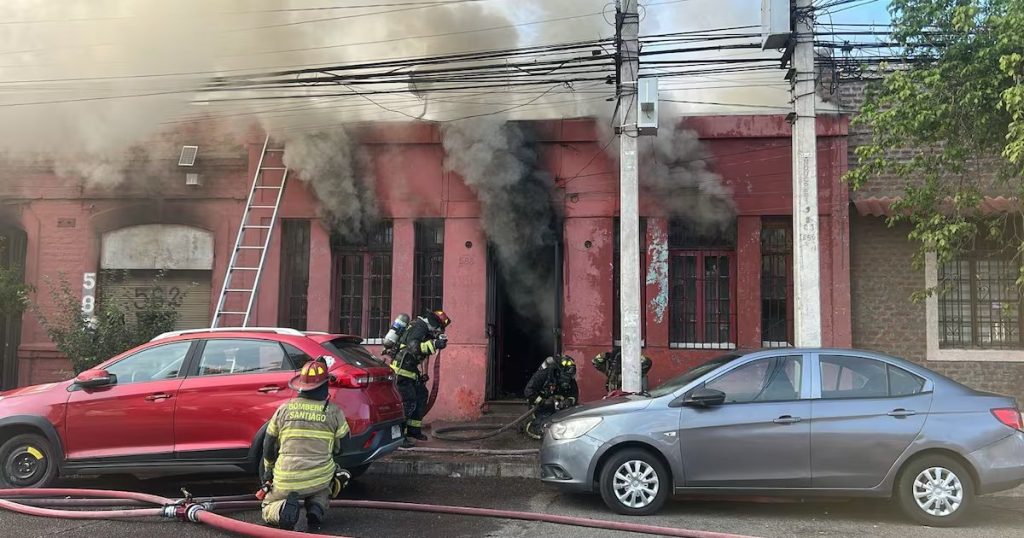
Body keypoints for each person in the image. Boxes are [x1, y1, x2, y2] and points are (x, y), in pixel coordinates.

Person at [260, 357, 352, 531]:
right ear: (325, 385)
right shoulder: (334, 412)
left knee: (267, 506)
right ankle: (317, 506)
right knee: (334, 478)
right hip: (320, 479)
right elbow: (345, 446)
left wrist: (268, 471)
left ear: (301, 385)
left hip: (285, 480)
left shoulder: (284, 409)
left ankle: (281, 510)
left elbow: (268, 444)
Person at [390, 309, 451, 445]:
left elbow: (423, 355)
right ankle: (400, 437)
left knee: (421, 395)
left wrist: (424, 374)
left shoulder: (425, 330)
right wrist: (435, 344)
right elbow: (414, 348)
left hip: (411, 370)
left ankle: (414, 430)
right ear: (434, 324)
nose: (438, 332)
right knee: (408, 402)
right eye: (438, 328)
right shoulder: (419, 327)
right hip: (401, 370)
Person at [523, 355, 580, 439]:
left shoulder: (570, 378)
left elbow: (574, 395)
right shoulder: (544, 374)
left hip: (559, 406)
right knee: (544, 429)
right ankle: (530, 425)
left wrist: (568, 401)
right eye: (565, 376)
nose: (567, 380)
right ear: (558, 372)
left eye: (569, 377)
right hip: (540, 406)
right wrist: (543, 402)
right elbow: (528, 391)